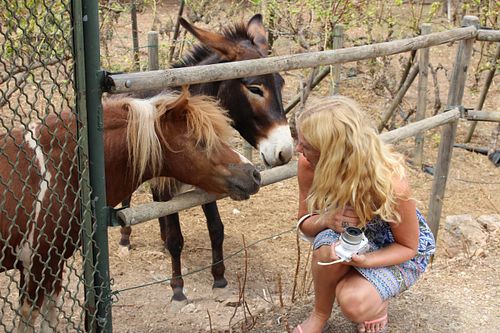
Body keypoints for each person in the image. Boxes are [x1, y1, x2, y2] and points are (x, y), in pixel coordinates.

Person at [294, 96, 435, 333]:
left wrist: (367, 261)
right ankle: (320, 314)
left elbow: (409, 247)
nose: (298, 148)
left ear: (331, 153)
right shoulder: (308, 164)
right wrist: (327, 219)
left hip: (396, 251)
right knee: (326, 251)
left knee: (354, 302)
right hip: (351, 241)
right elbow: (304, 225)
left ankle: (378, 301)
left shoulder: (390, 184)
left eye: (306, 145)